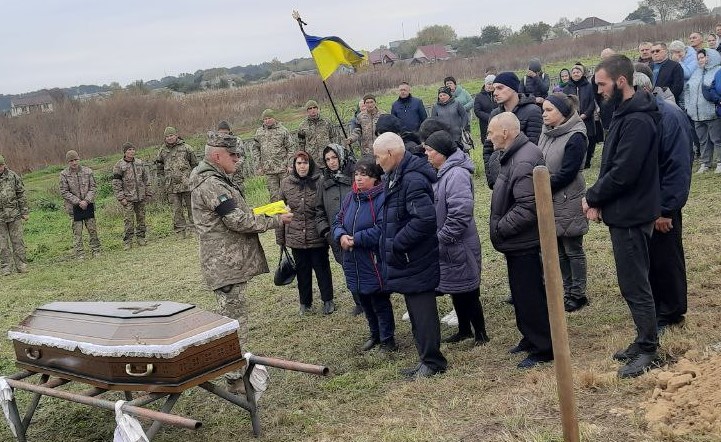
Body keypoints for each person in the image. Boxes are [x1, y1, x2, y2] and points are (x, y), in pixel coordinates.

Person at [190, 131, 292, 394]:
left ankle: (236, 371)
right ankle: (235, 378)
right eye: (232, 155)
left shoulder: (216, 179)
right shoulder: (212, 184)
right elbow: (237, 220)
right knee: (234, 322)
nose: (238, 159)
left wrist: (264, 212)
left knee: (234, 320)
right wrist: (275, 220)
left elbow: (238, 214)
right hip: (225, 265)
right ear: (216, 155)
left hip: (228, 262)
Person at [584, 54, 661, 379]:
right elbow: (610, 163)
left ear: (621, 81)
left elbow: (623, 172)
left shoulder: (638, 120)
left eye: (602, 84)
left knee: (635, 284)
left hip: (632, 213)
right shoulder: (624, 113)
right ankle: (642, 339)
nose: (598, 90)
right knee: (631, 282)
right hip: (624, 210)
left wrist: (592, 196)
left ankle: (648, 350)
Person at [373, 132, 447, 379]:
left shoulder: (412, 179)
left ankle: (433, 362)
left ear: (392, 154)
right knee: (416, 313)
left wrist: (396, 244)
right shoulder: (396, 176)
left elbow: (425, 219)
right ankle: (425, 359)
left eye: (378, 156)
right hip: (407, 260)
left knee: (423, 312)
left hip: (415, 258)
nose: (376, 162)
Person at [487, 112, 553, 369]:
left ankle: (543, 347)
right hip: (516, 243)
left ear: (505, 132)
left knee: (530, 295)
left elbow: (528, 207)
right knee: (521, 293)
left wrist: (501, 228)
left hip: (522, 241)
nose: (489, 137)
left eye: (492, 132)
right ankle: (530, 336)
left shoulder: (524, 159)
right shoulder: (514, 154)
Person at [633, 71, 693, 334]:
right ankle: (659, 307)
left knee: (666, 258)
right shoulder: (643, 116)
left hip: (662, 205)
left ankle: (671, 311)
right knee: (652, 259)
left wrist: (666, 209)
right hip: (646, 203)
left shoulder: (669, 116)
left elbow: (677, 167)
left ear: (642, 90)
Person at [423, 130, 489, 345]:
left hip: (458, 242)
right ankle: (464, 330)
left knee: (468, 289)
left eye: (430, 150)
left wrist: (443, 237)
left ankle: (480, 333)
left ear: (441, 152)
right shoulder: (443, 172)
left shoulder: (456, 174)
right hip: (450, 244)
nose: (427, 154)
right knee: (456, 288)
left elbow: (460, 213)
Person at [333, 156, 396, 352]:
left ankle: (388, 339)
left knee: (379, 299)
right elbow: (337, 221)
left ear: (375, 178)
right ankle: (374, 334)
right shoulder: (351, 197)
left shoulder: (382, 198)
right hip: (353, 259)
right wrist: (341, 235)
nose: (358, 179)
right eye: (356, 174)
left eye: (364, 175)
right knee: (363, 299)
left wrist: (356, 239)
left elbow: (382, 228)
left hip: (372, 258)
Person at [538, 93, 589, 312]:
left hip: (568, 197)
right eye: (544, 110)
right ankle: (566, 290)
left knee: (572, 248)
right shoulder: (547, 133)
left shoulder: (576, 136)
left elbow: (568, 172)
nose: (544, 114)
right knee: (557, 248)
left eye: (549, 110)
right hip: (549, 197)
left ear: (563, 113)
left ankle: (578, 294)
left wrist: (542, 187)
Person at [277, 151, 335, 315]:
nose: (302, 166)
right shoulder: (286, 183)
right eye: (299, 163)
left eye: (305, 163)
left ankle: (328, 300)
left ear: (311, 165)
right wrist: (281, 239)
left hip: (317, 234)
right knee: (302, 271)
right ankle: (305, 303)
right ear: (294, 166)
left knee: (322, 268)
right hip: (296, 236)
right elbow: (280, 210)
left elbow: (326, 207)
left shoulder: (320, 181)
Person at [315, 143, 360, 315]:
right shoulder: (323, 182)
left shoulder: (355, 176)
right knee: (348, 269)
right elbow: (318, 210)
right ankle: (359, 302)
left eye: (334, 157)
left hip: (358, 232)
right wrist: (326, 232)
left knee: (365, 267)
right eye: (327, 159)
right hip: (336, 236)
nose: (331, 162)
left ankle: (371, 299)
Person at [482, 71, 543, 189]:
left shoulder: (532, 111)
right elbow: (488, 148)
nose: (495, 93)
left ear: (513, 88)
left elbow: (532, 147)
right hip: (499, 178)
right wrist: (492, 180)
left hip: (522, 177)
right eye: (494, 89)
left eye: (500, 88)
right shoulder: (495, 114)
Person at [156, 126, 198, 236]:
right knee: (176, 210)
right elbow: (159, 168)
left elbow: (194, 165)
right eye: (167, 136)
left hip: (187, 184)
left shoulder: (186, 148)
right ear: (165, 138)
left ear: (176, 135)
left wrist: (193, 179)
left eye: (171, 135)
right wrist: (163, 181)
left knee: (192, 207)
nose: (169, 138)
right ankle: (180, 231)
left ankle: (194, 228)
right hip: (171, 186)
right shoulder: (162, 151)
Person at [60, 150, 101, 259]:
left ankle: (96, 250)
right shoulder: (64, 174)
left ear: (79, 159)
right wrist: (78, 202)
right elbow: (64, 191)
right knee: (77, 232)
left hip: (88, 205)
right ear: (68, 162)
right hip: (74, 208)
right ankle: (80, 254)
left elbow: (93, 187)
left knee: (92, 230)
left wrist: (86, 200)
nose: (74, 163)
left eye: (75, 160)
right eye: (71, 161)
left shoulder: (88, 171)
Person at [686, 49, 721, 174]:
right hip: (697, 114)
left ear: (710, 57)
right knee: (703, 140)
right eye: (699, 58)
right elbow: (688, 89)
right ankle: (705, 163)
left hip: (712, 112)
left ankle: (719, 162)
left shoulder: (718, 71)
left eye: (703, 57)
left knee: (717, 139)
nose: (701, 60)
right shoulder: (696, 73)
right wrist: (688, 106)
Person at [112, 142, 151, 250]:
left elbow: (146, 179)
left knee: (141, 218)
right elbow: (116, 183)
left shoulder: (139, 163)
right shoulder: (119, 165)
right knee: (129, 221)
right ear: (124, 152)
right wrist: (121, 198)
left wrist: (148, 193)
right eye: (129, 150)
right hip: (127, 198)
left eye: (133, 149)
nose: (131, 151)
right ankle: (128, 241)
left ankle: (141, 237)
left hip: (140, 197)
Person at [252, 109, 294, 202]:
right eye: (265, 119)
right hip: (269, 170)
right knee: (274, 196)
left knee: (288, 192)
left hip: (283, 168)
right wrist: (259, 166)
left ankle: (292, 213)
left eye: (269, 118)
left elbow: (290, 148)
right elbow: (255, 149)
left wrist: (290, 165)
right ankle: (278, 216)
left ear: (274, 118)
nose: (267, 120)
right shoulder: (259, 132)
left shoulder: (283, 130)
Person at [0, 155, 29, 275]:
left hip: (14, 215)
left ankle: (21, 265)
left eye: (0, 165)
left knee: (18, 241)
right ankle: (6, 267)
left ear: (4, 165)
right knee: (2, 244)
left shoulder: (13, 176)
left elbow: (21, 194)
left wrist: (25, 211)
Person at [562, 63, 596, 161]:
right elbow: (565, 103)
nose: (576, 74)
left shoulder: (589, 86)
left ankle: (588, 160)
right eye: (574, 72)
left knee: (590, 138)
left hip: (587, 118)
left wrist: (586, 114)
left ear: (582, 73)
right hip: (573, 119)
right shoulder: (567, 88)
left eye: (578, 72)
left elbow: (592, 102)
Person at [297, 100, 338, 169]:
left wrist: (335, 152)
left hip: (328, 159)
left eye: (314, 107)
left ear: (318, 109)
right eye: (310, 108)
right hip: (312, 160)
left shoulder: (326, 122)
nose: (313, 110)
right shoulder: (302, 126)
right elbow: (301, 143)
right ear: (307, 111)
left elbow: (334, 137)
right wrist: (303, 158)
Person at [216, 120, 246, 195]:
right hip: (222, 176)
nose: (223, 135)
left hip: (236, 175)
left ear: (229, 132)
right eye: (221, 133)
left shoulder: (237, 141)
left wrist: (234, 168)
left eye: (225, 133)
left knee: (239, 195)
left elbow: (242, 156)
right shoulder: (215, 143)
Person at [474, 75, 497, 143]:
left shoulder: (499, 94)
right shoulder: (479, 96)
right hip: (485, 125)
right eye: (489, 84)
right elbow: (477, 111)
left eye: (492, 84)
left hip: (499, 123)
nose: (491, 86)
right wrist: (490, 117)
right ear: (485, 84)